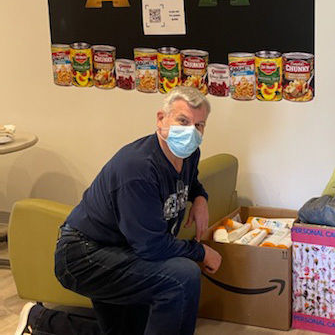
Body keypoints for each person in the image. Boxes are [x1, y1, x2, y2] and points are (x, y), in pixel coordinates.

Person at [15, 86, 222, 335]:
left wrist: (200, 198)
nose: (191, 132)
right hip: (85, 254)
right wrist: (200, 252)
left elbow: (191, 181)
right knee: (182, 276)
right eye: (183, 120)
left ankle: (38, 320)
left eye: (199, 126)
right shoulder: (138, 170)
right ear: (160, 120)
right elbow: (152, 246)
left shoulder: (188, 154)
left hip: (124, 250)